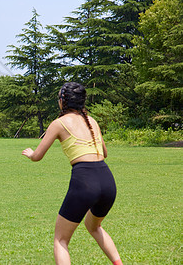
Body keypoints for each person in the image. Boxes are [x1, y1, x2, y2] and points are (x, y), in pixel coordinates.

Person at [22, 82, 122, 265]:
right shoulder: (91, 121)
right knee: (94, 226)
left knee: (61, 240)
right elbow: (104, 153)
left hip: (85, 181)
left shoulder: (58, 123)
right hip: (107, 180)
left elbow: (38, 156)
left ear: (62, 101)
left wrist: (30, 154)